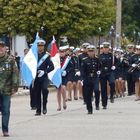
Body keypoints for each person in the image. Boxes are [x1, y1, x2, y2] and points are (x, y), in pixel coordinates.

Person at [0, 41, 19, 137]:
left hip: (6, 90)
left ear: (5, 48)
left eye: (2, 47)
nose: (0, 49)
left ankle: (5, 130)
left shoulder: (10, 60)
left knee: (6, 110)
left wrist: (14, 87)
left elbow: (15, 74)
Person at [34, 39, 54, 116]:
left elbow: (52, 67)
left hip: (44, 77)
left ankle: (44, 106)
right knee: (37, 93)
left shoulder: (46, 56)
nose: (40, 47)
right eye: (39, 46)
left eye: (42, 46)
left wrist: (44, 71)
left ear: (44, 46)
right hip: (36, 77)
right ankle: (38, 110)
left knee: (45, 90)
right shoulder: (33, 55)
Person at [81, 45, 101, 114]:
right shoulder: (85, 60)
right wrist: (82, 79)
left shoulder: (97, 59)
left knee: (97, 90)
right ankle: (89, 109)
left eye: (92, 51)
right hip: (87, 78)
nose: (91, 53)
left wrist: (99, 71)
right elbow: (82, 71)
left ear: (94, 51)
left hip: (95, 77)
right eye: (89, 51)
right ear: (87, 52)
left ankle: (97, 104)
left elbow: (100, 67)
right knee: (88, 94)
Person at [99, 42, 116, 109]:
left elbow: (117, 62)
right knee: (103, 89)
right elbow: (98, 65)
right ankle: (104, 104)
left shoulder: (112, 55)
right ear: (103, 49)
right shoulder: (99, 56)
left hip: (110, 72)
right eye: (104, 48)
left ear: (109, 48)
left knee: (112, 83)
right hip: (103, 74)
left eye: (107, 48)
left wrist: (114, 66)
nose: (106, 49)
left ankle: (112, 95)